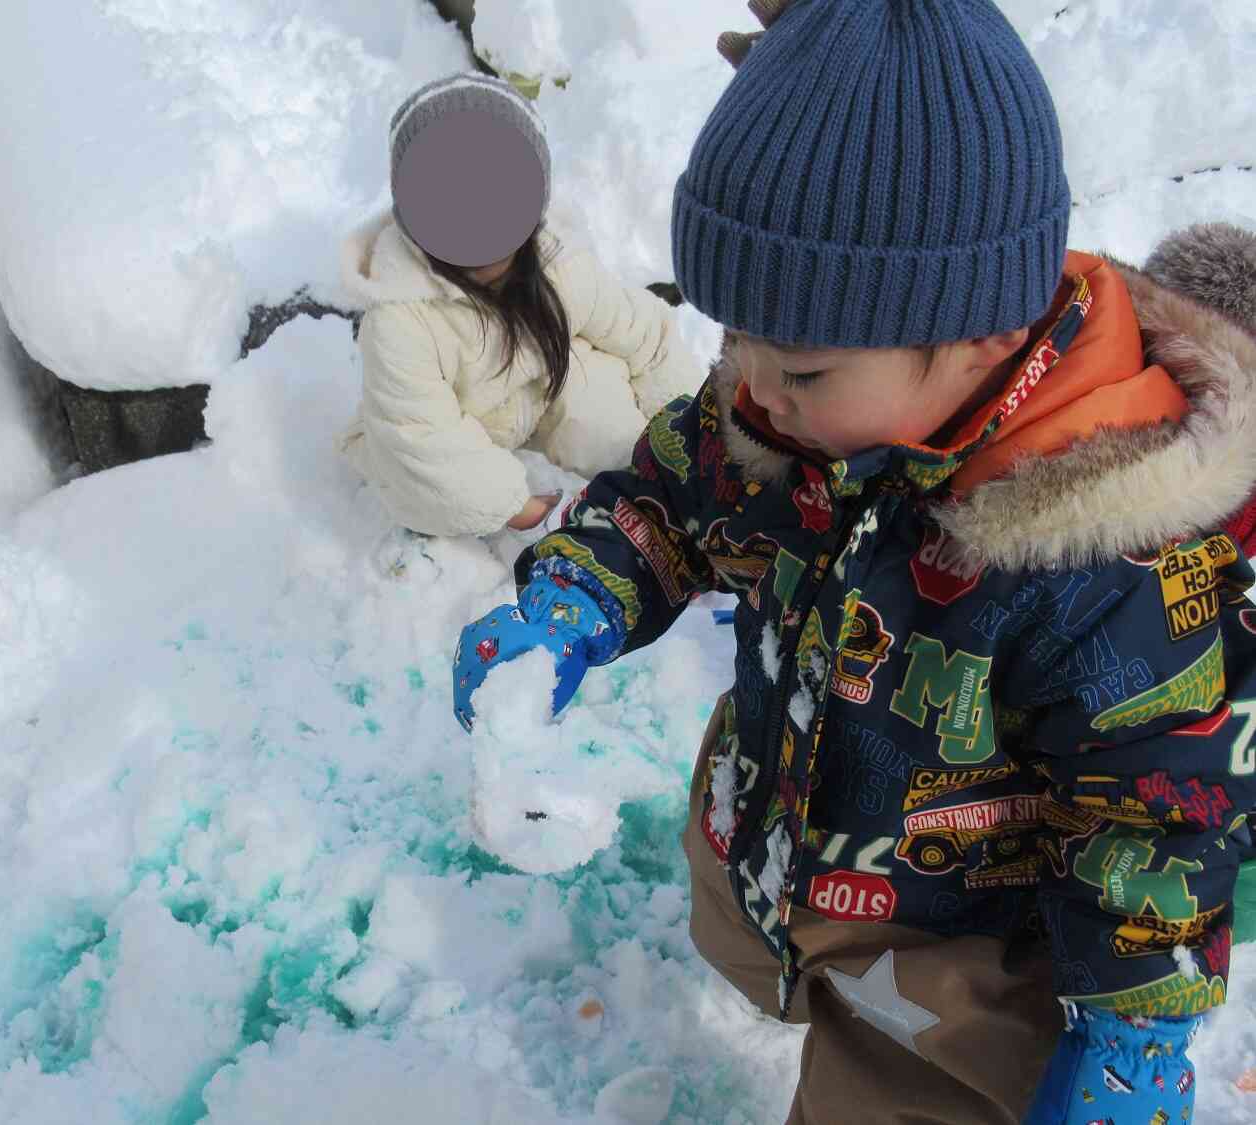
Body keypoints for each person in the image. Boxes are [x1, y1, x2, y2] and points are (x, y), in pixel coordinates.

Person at [451, 3, 1256, 1122]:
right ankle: (779, 957)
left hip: (951, 939)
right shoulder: (781, 411)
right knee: (742, 925)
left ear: (978, 331)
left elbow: (1157, 807)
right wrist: (583, 591)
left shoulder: (1108, 560)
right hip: (781, 804)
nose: (749, 383)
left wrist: (1136, 1023)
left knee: (911, 1089)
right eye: (732, 336)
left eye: (802, 367)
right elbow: (668, 499)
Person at [338, 73, 704, 540]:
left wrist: (692, 449)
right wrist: (524, 508)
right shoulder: (400, 317)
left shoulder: (558, 266)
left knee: (604, 408)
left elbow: (648, 339)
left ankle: (668, 501)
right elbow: (422, 437)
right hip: (439, 427)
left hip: (532, 391)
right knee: (417, 483)